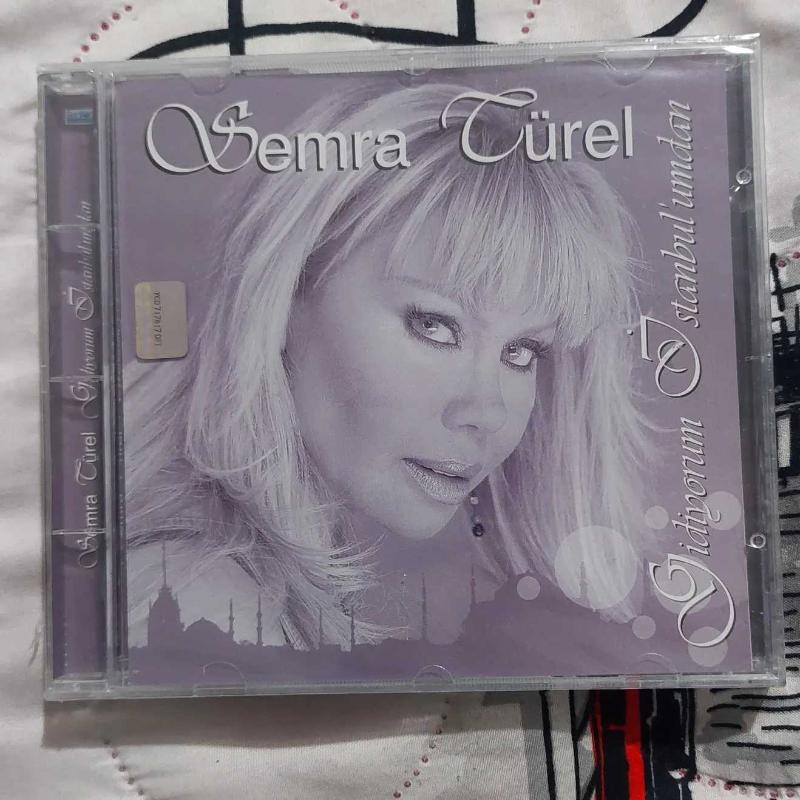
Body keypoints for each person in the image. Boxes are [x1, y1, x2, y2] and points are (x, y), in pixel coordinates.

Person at [125, 83, 647, 651]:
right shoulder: (199, 599)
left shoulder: (263, 586)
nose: (487, 411)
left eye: (521, 352)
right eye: (434, 325)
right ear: (285, 293)